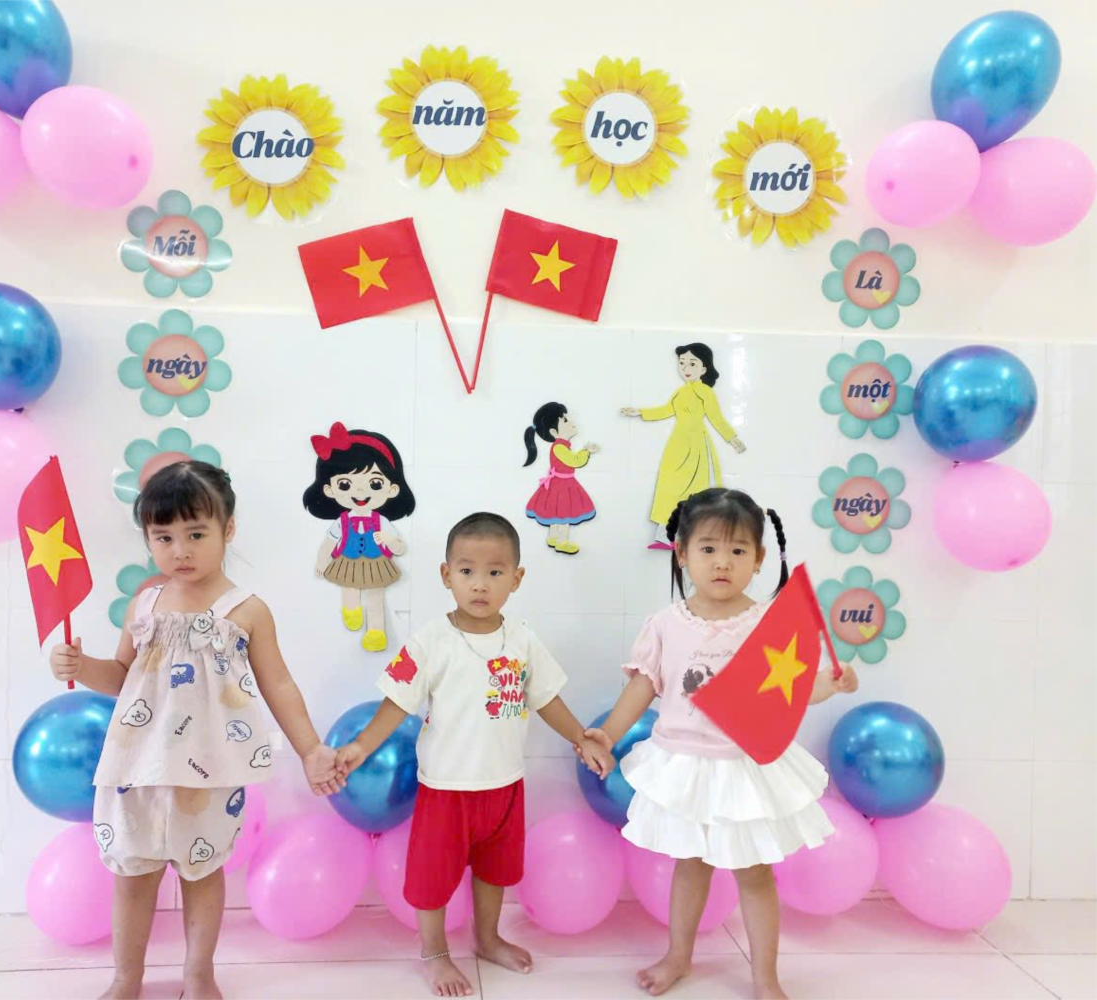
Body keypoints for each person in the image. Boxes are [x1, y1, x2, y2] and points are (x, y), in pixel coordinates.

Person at [50, 461, 341, 1000]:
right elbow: (121, 675)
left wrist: (309, 749)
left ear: (228, 529)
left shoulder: (246, 611)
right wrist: (81, 666)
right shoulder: (144, 605)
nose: (179, 550)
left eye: (196, 534)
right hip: (137, 767)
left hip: (209, 771)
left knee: (202, 872)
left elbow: (279, 685)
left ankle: (199, 973)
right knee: (133, 874)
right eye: (163, 537)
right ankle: (126, 977)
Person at [582, 489, 858, 998]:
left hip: (744, 765)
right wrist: (608, 733)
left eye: (737, 550)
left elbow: (793, 687)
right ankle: (678, 957)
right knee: (692, 865)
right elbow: (643, 686)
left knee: (754, 873)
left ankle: (765, 976)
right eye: (708, 549)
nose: (722, 562)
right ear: (682, 553)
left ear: (758, 558)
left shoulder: (767, 622)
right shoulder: (665, 625)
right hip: (686, 765)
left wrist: (830, 683)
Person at [335, 512, 615, 998]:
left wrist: (580, 737)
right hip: (446, 788)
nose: (480, 584)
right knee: (432, 877)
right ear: (447, 576)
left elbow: (545, 697)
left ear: (516, 579)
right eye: (467, 571)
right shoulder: (431, 641)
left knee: (495, 869)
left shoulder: (522, 639)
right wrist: (361, 745)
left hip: (504, 783)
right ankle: (434, 952)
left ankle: (487, 938)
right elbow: (396, 701)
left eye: (494, 572)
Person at [303, 421, 415, 652]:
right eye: (345, 484)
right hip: (347, 562)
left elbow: (400, 547)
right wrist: (322, 561)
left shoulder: (382, 522)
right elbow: (329, 543)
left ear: (392, 489)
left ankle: (376, 632)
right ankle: (351, 609)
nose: (361, 491)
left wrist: (389, 540)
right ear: (329, 489)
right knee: (349, 588)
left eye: (375, 483)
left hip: (377, 563)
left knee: (375, 597)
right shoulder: (342, 522)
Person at [621, 343, 746, 550]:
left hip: (696, 445)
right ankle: (665, 536)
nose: (686, 368)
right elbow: (667, 410)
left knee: (694, 490)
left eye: (692, 363)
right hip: (677, 444)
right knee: (668, 486)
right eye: (682, 363)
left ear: (704, 368)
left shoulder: (705, 392)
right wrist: (640, 412)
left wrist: (732, 438)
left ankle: (697, 536)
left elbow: (716, 417)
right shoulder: (681, 391)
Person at [522, 401, 599, 555]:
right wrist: (586, 451)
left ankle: (553, 537)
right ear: (554, 431)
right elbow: (574, 461)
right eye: (565, 420)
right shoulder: (559, 447)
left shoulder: (561, 446)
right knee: (563, 511)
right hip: (563, 485)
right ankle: (562, 541)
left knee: (556, 512)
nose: (571, 422)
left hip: (559, 483)